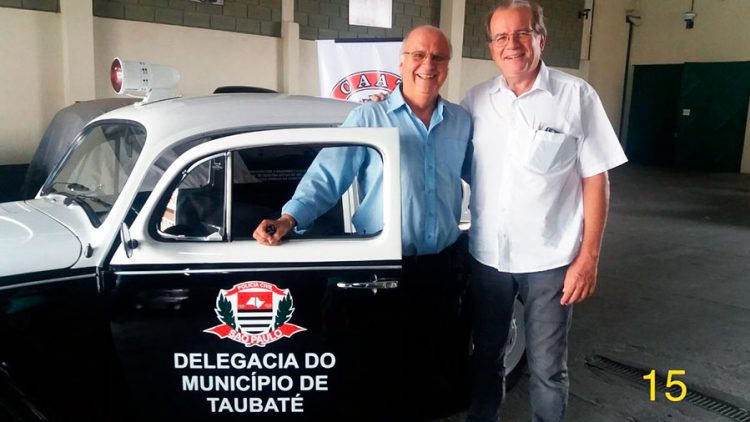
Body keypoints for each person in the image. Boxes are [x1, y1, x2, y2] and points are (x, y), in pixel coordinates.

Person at [462, 1, 627, 421]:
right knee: (485, 358)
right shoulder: (476, 101)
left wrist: (588, 258)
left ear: (541, 39)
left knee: (548, 370)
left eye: (522, 33)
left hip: (550, 262)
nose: (512, 44)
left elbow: (596, 178)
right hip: (488, 259)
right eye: (501, 36)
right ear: (491, 46)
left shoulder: (575, 96)